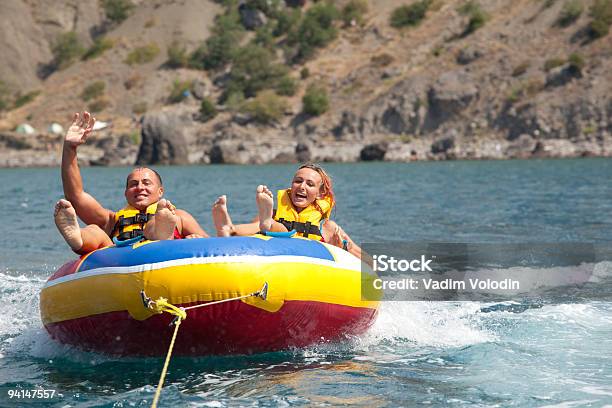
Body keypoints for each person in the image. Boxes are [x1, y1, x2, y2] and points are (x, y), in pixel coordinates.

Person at [54, 111, 208, 254]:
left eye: (146, 183)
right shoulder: (111, 220)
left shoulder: (179, 216)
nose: (140, 187)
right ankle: (76, 237)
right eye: (133, 184)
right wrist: (70, 148)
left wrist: (195, 239)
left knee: (155, 224)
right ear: (126, 193)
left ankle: (161, 231)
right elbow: (76, 195)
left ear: (160, 191)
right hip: (118, 261)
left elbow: (212, 244)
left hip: (162, 251)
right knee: (95, 230)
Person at [212, 163, 362, 258]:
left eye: (309, 184)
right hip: (280, 262)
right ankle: (230, 229)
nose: (302, 186)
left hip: (313, 270)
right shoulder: (276, 214)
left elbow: (361, 257)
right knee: (269, 223)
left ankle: (250, 227)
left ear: (319, 194)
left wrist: (342, 249)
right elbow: (250, 243)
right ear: (291, 186)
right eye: (298, 181)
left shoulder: (328, 227)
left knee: (271, 223)